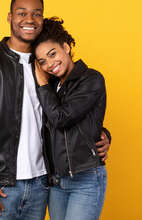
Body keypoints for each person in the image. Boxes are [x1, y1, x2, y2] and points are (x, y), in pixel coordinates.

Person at [0, 0, 111, 220]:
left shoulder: (51, 70)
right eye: (22, 13)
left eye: (36, 14)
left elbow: (67, 117)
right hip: (1, 186)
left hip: (42, 186)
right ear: (10, 17)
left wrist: (102, 134)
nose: (29, 20)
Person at [33, 17, 108, 220]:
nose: (50, 64)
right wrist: (104, 133)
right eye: (42, 62)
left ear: (66, 47)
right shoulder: (54, 88)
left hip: (85, 179)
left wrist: (42, 84)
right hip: (57, 182)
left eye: (52, 54)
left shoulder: (91, 79)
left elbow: (61, 117)